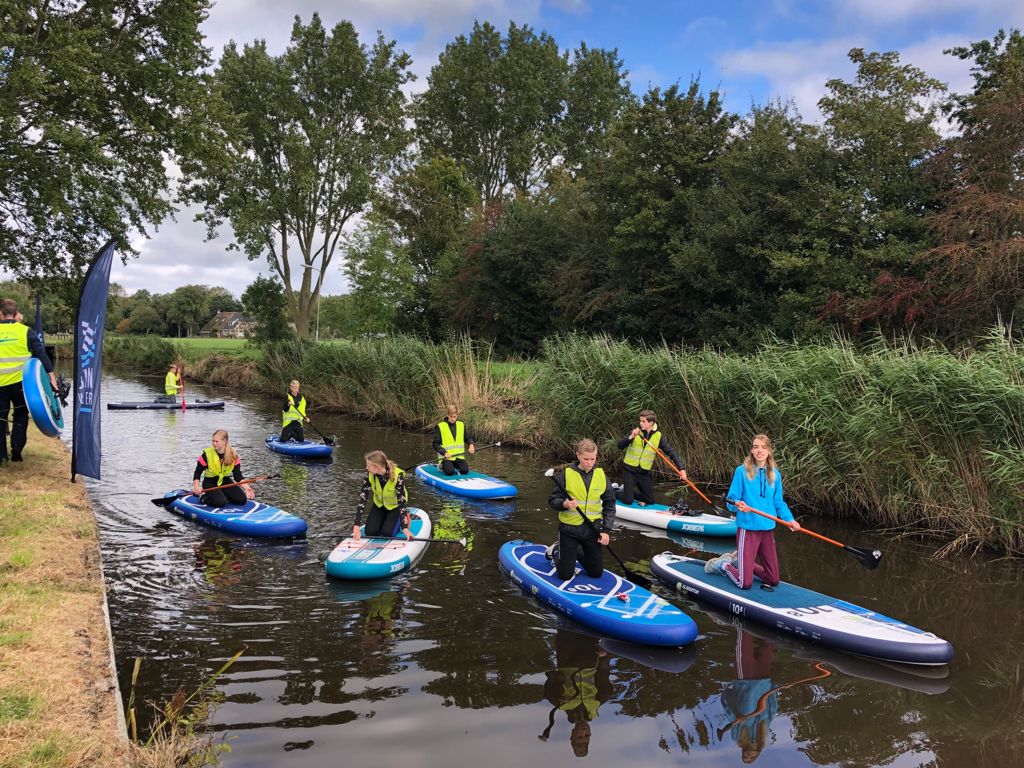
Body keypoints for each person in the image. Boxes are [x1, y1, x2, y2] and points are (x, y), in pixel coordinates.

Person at [710, 434, 800, 591]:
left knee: (773, 579)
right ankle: (724, 564)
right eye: (756, 447)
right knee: (744, 583)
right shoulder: (741, 471)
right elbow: (731, 500)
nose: (760, 450)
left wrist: (790, 520)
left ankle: (740, 562)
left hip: (767, 529)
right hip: (748, 529)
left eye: (764, 447)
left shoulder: (775, 475)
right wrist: (738, 505)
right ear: (751, 450)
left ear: (769, 451)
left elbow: (779, 503)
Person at [547, 438, 616, 580]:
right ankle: (556, 551)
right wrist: (564, 504)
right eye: (586, 459)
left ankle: (574, 553)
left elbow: (610, 505)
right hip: (569, 530)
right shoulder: (566, 474)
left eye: (593, 459)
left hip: (592, 530)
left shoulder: (601, 475)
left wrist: (606, 531)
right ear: (578, 455)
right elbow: (553, 500)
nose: (589, 463)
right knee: (565, 576)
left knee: (596, 573)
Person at [0, 298, 57, 464]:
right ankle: (16, 451)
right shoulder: (26, 331)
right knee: (20, 415)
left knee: (1, 418)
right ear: (16, 313)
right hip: (21, 385)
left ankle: (2, 457)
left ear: (0, 313)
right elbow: (41, 355)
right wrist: (51, 377)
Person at [540, 630, 613, 757]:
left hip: (567, 657)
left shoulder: (560, 703)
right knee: (588, 628)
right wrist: (604, 656)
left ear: (572, 735)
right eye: (587, 735)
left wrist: (559, 691)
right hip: (590, 658)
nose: (584, 731)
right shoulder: (598, 701)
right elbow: (603, 673)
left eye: (580, 736)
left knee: (567, 627)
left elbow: (550, 677)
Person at [721, 629, 777, 763]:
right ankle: (767, 614)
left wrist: (737, 716)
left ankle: (743, 612)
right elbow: (772, 709)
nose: (748, 755)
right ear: (757, 753)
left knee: (745, 635)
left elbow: (727, 706)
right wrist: (774, 687)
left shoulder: (737, 736)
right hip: (764, 681)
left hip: (744, 680)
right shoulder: (764, 732)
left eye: (745, 757)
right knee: (768, 642)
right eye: (751, 757)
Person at [616, 410, 686, 506]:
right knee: (628, 500)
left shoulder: (658, 436)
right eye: (640, 420)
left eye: (643, 421)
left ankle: (628, 492)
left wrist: (681, 469)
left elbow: (671, 452)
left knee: (650, 500)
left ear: (651, 423)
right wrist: (631, 436)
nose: (640, 423)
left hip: (643, 473)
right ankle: (616, 491)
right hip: (629, 470)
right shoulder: (636, 432)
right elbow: (620, 446)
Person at [352, 450, 412, 541]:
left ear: (376, 467)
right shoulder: (370, 475)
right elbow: (363, 498)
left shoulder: (398, 476)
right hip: (380, 505)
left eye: (368, 466)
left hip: (395, 507)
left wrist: (405, 528)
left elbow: (401, 502)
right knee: (370, 532)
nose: (366, 468)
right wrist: (356, 525)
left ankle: (402, 519)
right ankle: (384, 520)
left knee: (387, 533)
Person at [192, 428, 255, 507]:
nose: (214, 443)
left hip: (225, 482)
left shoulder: (233, 455)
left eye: (216, 441)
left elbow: (237, 475)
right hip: (210, 482)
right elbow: (197, 473)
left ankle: (222, 494)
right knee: (220, 502)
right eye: (213, 441)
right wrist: (196, 487)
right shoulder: (207, 454)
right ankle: (204, 497)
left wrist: (246, 488)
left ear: (224, 441)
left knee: (241, 500)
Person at [431, 404, 476, 476]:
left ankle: (453, 465)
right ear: (447, 415)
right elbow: (435, 444)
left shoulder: (461, 425)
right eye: (450, 416)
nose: (452, 419)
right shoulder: (440, 426)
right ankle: (442, 466)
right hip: (446, 457)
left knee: (465, 471)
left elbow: (467, 437)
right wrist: (444, 453)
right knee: (450, 472)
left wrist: (471, 444)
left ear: (457, 415)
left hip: (458, 457)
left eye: (454, 417)